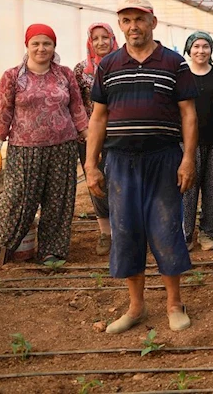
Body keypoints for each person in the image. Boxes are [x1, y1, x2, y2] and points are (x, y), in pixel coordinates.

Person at [86, 0, 197, 333]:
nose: (132, 26)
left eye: (139, 19)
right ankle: (136, 307)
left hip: (163, 159)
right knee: (125, 232)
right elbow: (98, 118)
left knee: (166, 229)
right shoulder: (108, 65)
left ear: (153, 23)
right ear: (121, 25)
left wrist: (188, 159)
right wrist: (91, 165)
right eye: (126, 20)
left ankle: (174, 304)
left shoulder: (174, 63)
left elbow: (189, 114)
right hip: (120, 162)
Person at [0, 24, 88, 278]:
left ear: (54, 47)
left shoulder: (65, 75)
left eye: (47, 43)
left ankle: (52, 252)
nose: (41, 48)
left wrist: (90, 140)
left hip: (63, 147)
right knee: (17, 200)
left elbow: (78, 110)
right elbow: (3, 112)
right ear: (27, 45)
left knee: (58, 201)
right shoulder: (13, 76)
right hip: (25, 150)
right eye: (36, 43)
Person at [74, 23, 118, 256]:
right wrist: (88, 134)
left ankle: (124, 231)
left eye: (105, 37)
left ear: (113, 39)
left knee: (122, 181)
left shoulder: (124, 64)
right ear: (90, 42)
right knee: (97, 184)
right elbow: (76, 105)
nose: (101, 42)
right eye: (96, 38)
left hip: (121, 135)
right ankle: (105, 233)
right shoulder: (81, 70)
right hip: (90, 137)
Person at [182, 31, 213, 252]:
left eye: (205, 46)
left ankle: (208, 232)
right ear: (189, 50)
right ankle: (185, 235)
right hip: (188, 144)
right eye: (196, 46)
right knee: (186, 189)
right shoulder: (181, 76)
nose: (201, 51)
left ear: (211, 50)